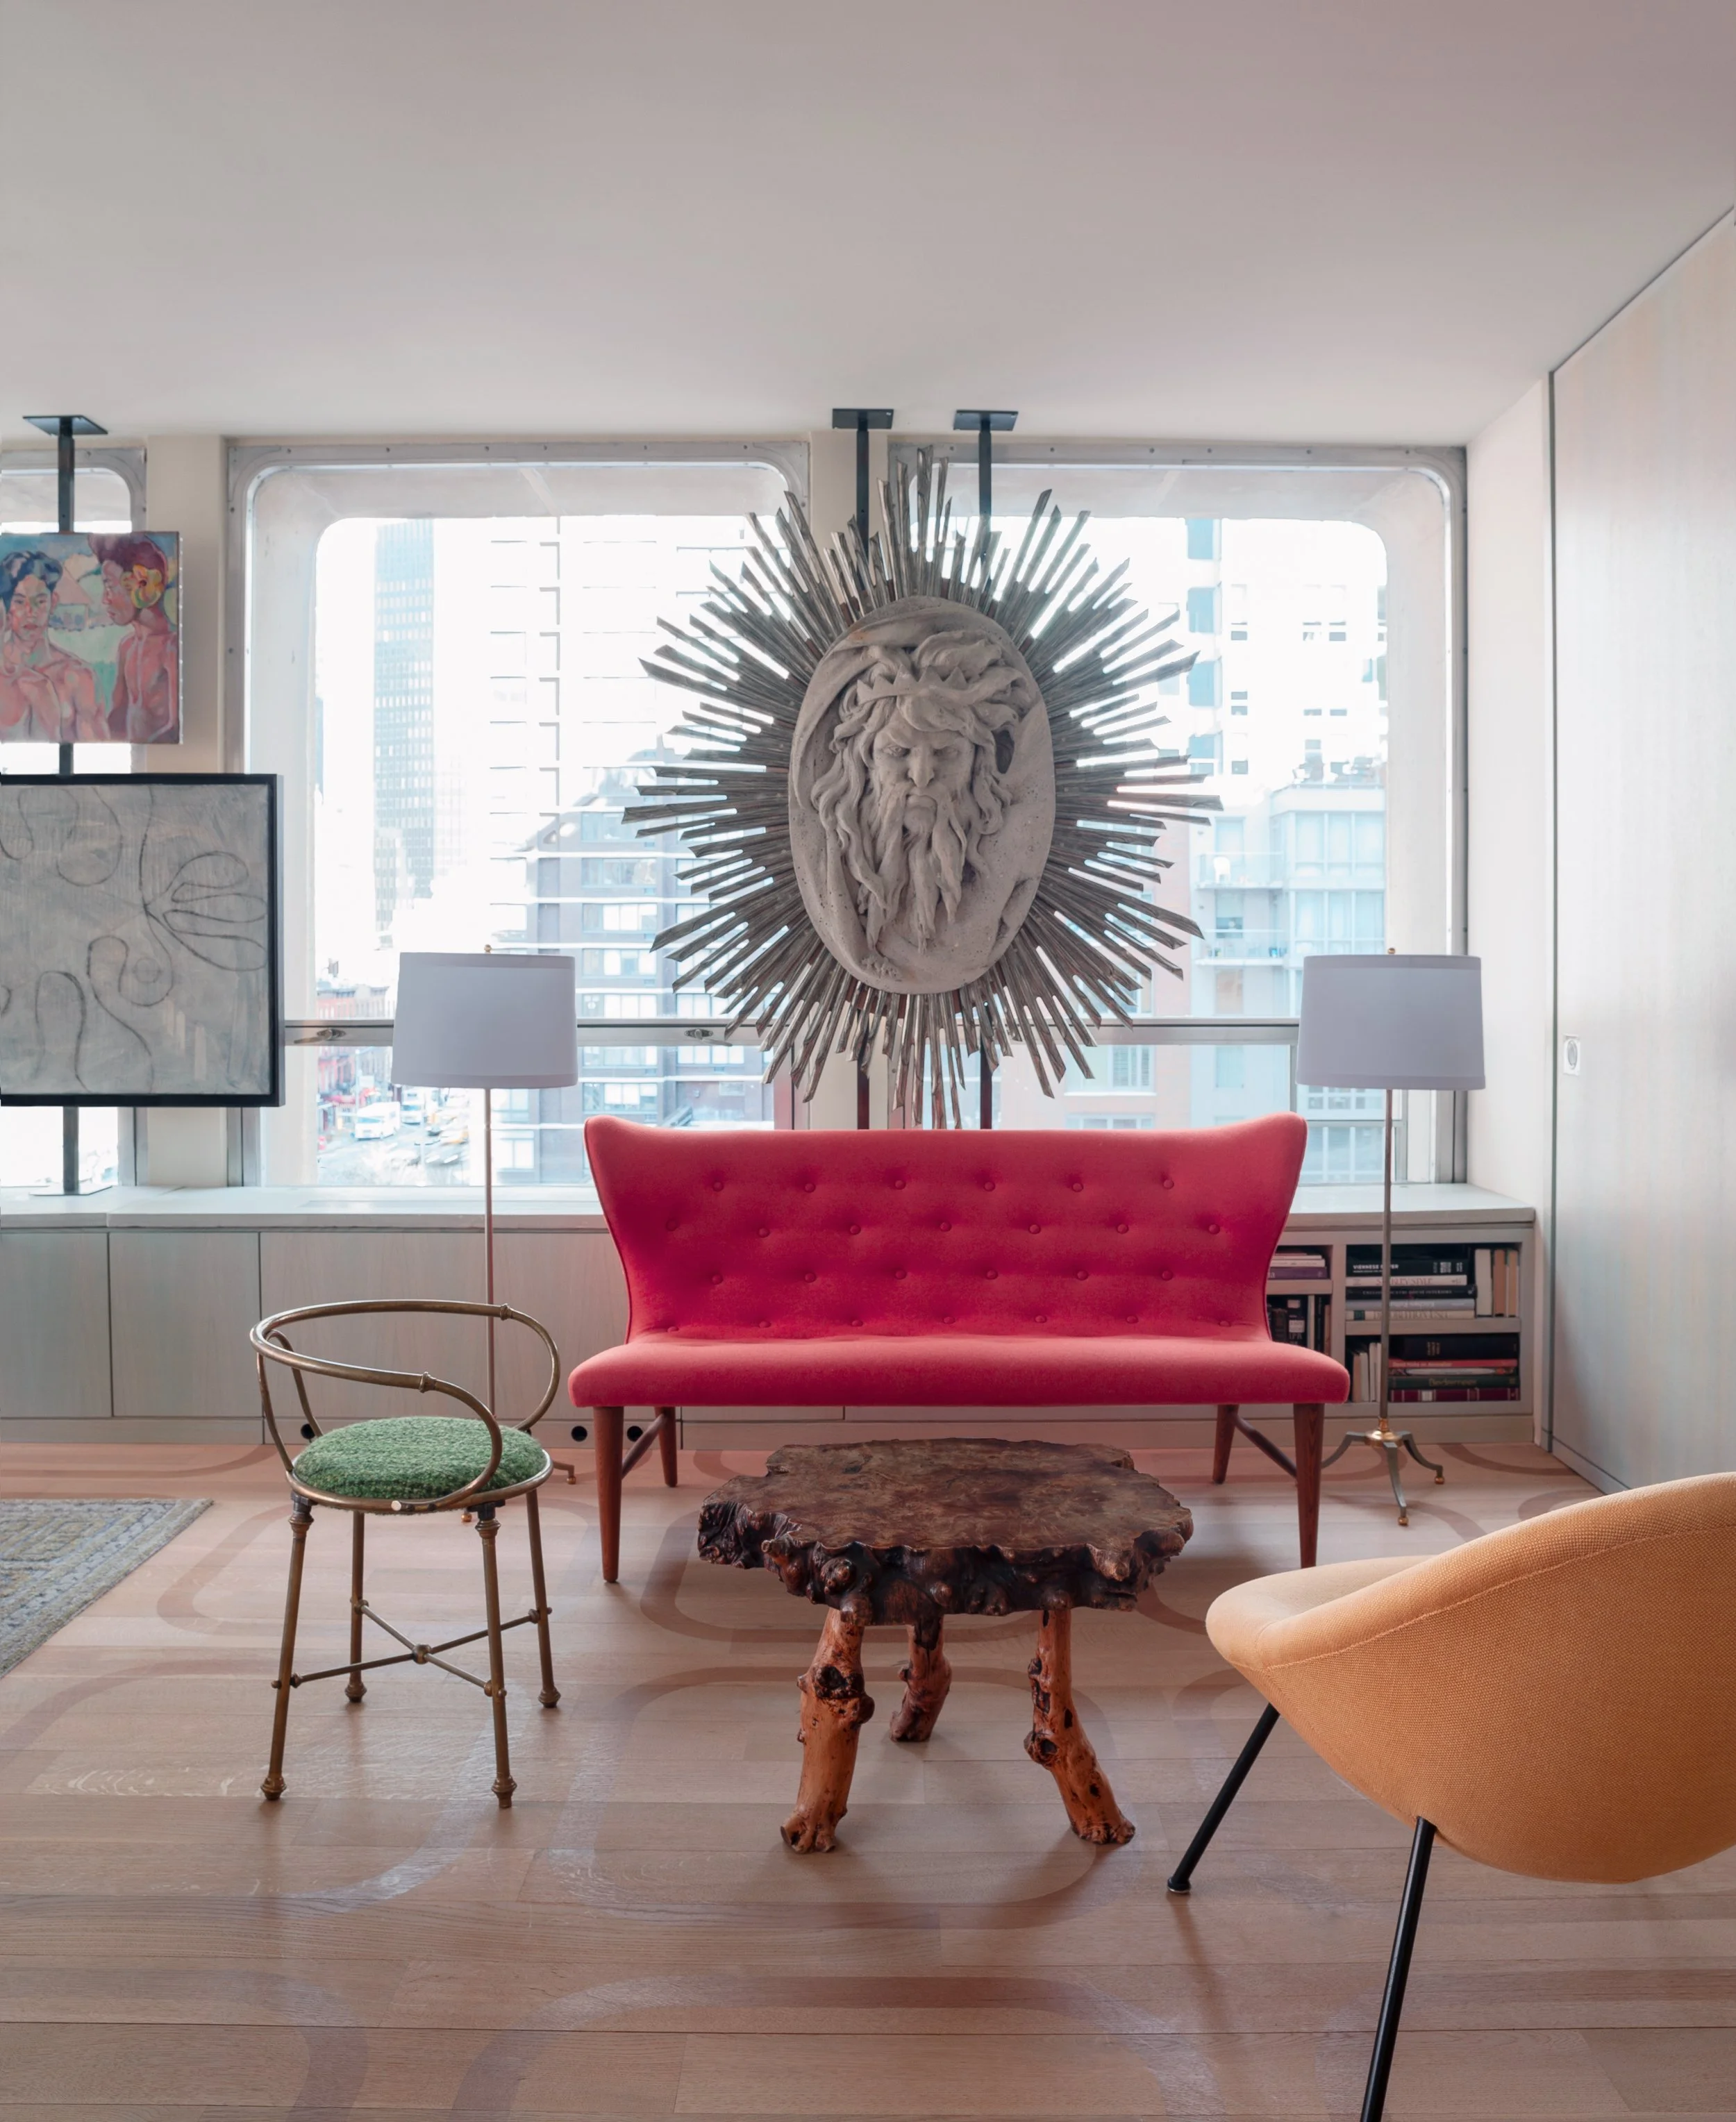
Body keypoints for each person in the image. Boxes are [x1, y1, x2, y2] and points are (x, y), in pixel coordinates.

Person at [0, 549, 102, 742]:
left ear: (53, 603)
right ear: (6, 608)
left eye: (40, 601)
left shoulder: (78, 677)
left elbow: (98, 754)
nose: (31, 612)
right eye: (20, 602)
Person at [90, 534, 178, 742]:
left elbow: (175, 727)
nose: (105, 598)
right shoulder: (127, 647)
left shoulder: (171, 649)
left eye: (110, 586)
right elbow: (118, 716)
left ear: (142, 585)